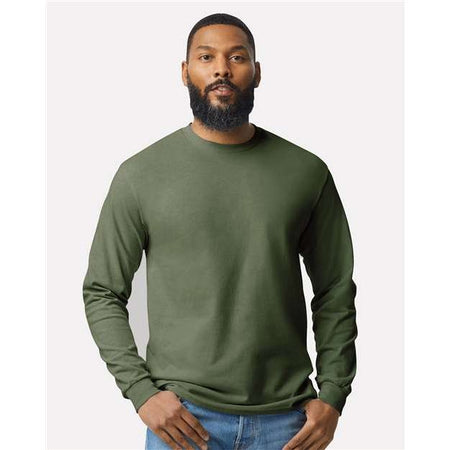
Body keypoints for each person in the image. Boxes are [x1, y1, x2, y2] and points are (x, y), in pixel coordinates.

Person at [82, 12, 358, 450]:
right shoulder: (140, 174)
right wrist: (141, 392)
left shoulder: (306, 172)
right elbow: (102, 291)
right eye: (206, 57)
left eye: (237, 57)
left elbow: (335, 289)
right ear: (185, 71)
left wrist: (333, 396)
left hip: (287, 423)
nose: (222, 69)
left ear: (257, 72)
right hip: (182, 421)